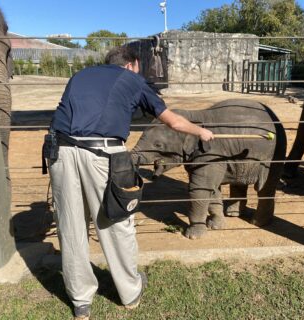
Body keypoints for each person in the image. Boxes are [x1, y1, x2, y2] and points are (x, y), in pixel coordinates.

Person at [48, 46, 214, 320]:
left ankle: (81, 301)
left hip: (59, 151)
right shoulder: (133, 79)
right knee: (116, 219)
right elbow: (172, 121)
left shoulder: (81, 74)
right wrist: (202, 131)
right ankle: (129, 291)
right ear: (132, 64)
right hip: (102, 153)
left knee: (70, 225)